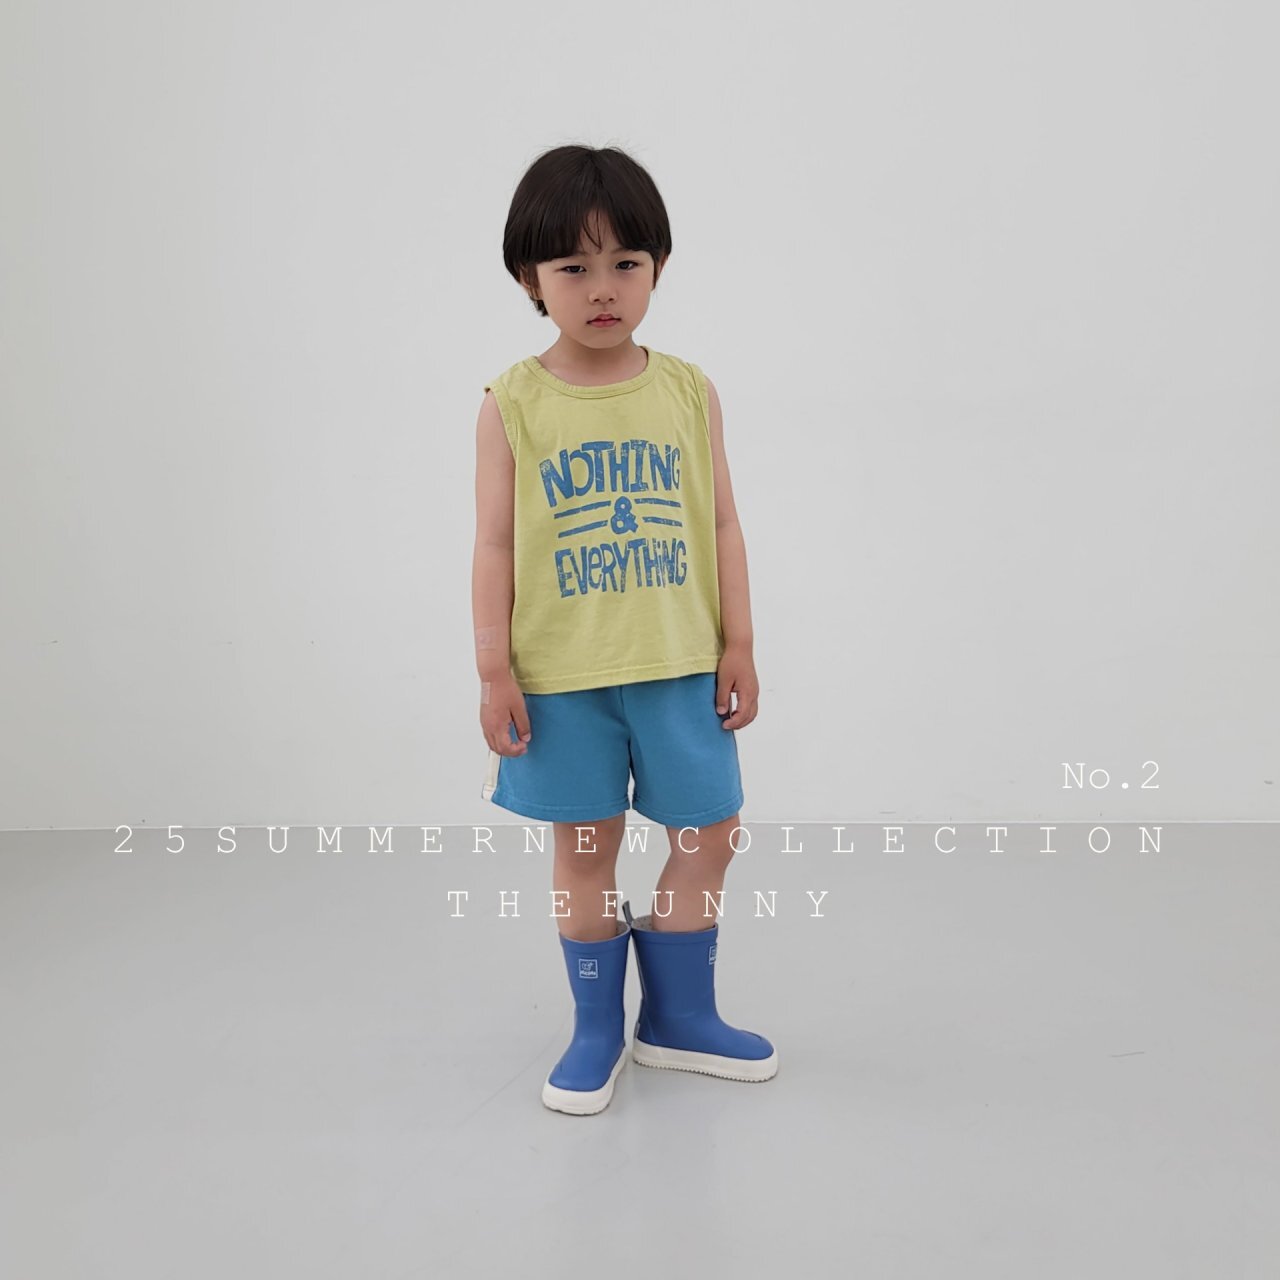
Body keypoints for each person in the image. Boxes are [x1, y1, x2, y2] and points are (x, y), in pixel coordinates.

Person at [472, 144, 777, 1116]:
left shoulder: (687, 390)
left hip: (680, 666)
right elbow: (493, 544)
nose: (602, 288)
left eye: (625, 263)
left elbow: (721, 523)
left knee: (712, 830)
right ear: (530, 278)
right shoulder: (512, 404)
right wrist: (493, 670)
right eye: (573, 266)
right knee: (584, 847)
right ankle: (596, 1025)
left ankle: (678, 1015)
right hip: (561, 678)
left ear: (657, 268)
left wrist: (739, 643)